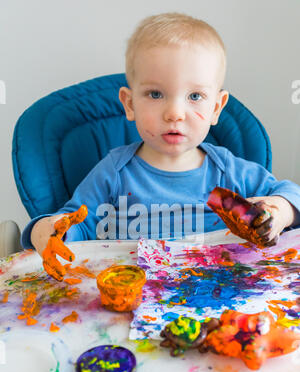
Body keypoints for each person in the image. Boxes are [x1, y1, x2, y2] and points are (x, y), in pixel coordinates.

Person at [22, 12, 300, 268]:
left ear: (216, 108)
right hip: (132, 293)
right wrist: (46, 231)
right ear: (129, 104)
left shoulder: (227, 172)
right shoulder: (115, 174)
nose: (175, 113)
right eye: (156, 94)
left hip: (218, 294)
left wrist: (279, 212)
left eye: (194, 96)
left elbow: (290, 194)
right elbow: (75, 227)